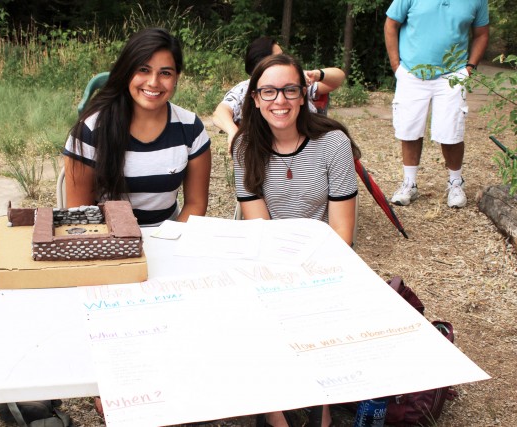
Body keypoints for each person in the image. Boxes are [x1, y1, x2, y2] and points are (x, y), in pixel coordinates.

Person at [233, 54, 358, 427]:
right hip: (270, 259)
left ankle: (321, 407)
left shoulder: (333, 143)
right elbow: (262, 230)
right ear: (254, 98)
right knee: (257, 309)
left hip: (324, 258)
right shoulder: (244, 147)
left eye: (289, 90)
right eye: (268, 91)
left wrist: (310, 277)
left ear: (303, 95)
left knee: (317, 307)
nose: (279, 100)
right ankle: (275, 412)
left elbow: (342, 233)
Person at [63, 27, 212, 226]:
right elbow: (79, 215)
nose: (153, 82)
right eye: (143, 70)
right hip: (107, 243)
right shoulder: (90, 130)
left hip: (167, 240)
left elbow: (196, 203)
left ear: (176, 78)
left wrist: (167, 241)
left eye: (165, 73)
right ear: (127, 71)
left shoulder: (191, 128)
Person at [384, 0, 489, 208]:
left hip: (453, 75)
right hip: (412, 73)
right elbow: (391, 24)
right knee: (409, 129)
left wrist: (469, 68)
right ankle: (409, 184)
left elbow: (481, 34)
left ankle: (455, 183)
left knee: (451, 131)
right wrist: (396, 66)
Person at [212, 36, 346, 152]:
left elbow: (338, 78)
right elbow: (220, 113)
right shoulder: (245, 89)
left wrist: (317, 74)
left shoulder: (294, 81)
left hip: (311, 145)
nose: (280, 100)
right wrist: (232, 131)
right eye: (280, 57)